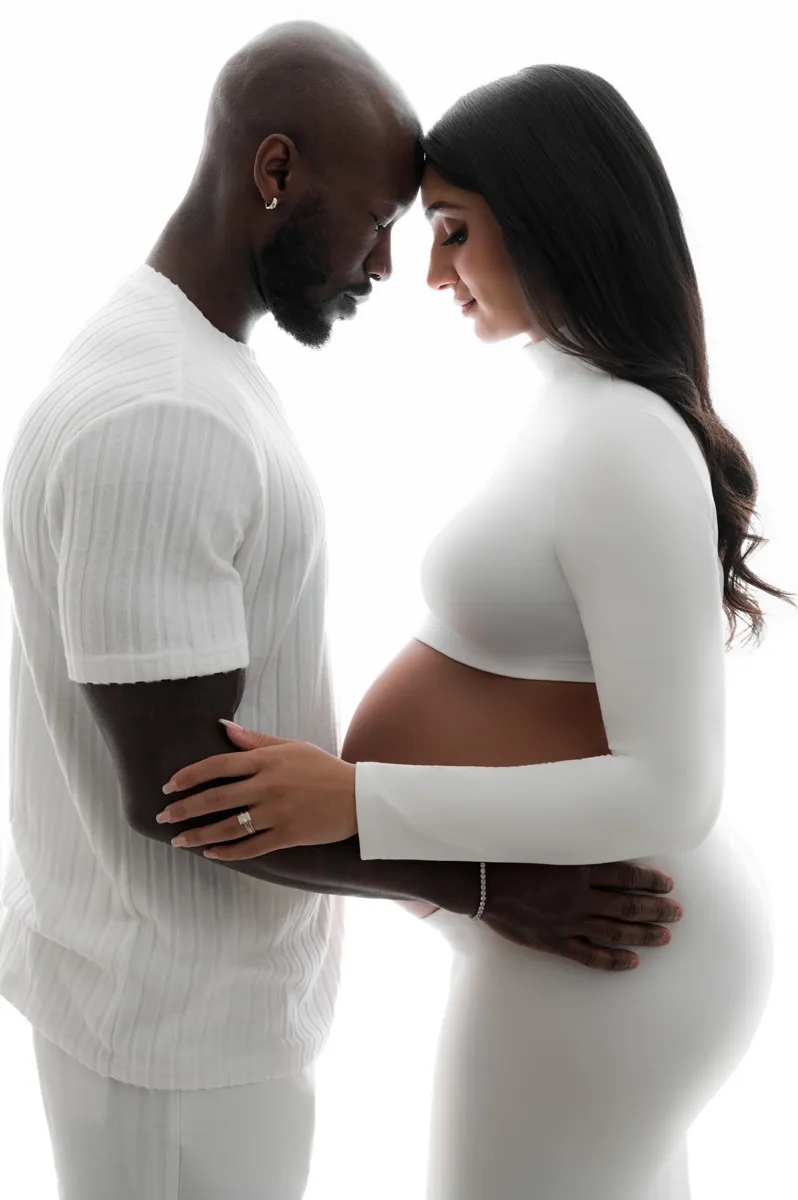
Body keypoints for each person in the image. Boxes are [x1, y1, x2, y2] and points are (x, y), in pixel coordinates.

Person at [0, 21, 688, 1200]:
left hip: (202, 1013)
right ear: (275, 174)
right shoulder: (163, 413)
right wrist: (489, 885)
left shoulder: (194, 365)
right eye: (378, 224)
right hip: (177, 1039)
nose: (385, 269)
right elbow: (183, 797)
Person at [156, 51, 788, 1200]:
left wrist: (359, 800)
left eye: (451, 229)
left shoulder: (626, 439)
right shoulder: (575, 399)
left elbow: (671, 787)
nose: (428, 270)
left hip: (615, 941)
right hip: (586, 937)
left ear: (548, 220)